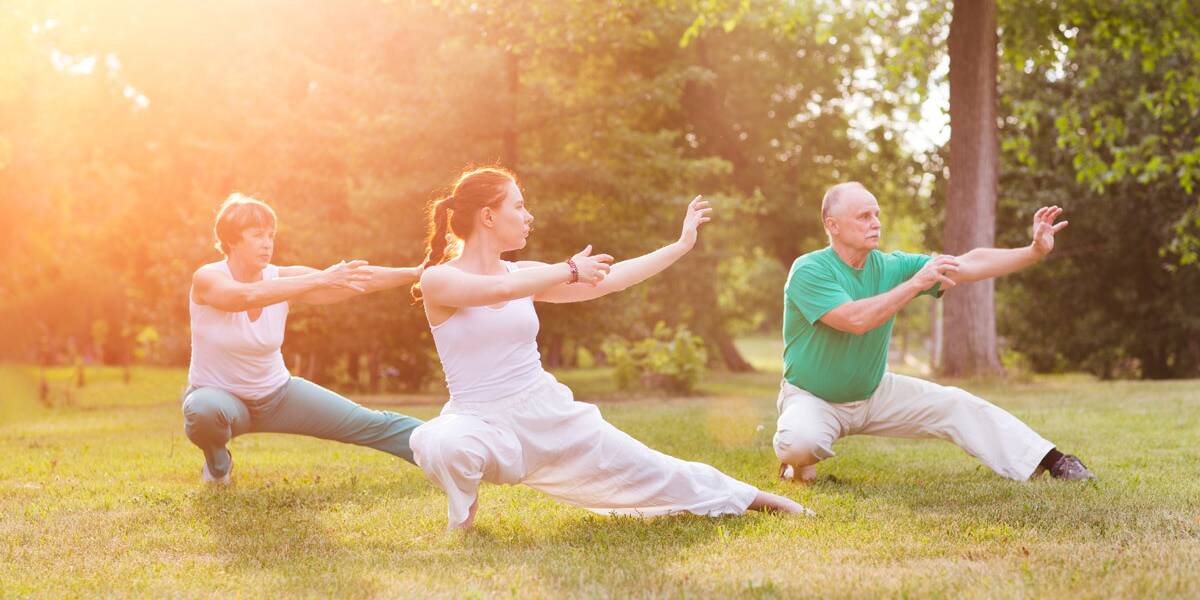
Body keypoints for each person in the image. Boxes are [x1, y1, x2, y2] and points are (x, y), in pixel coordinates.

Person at [409, 167, 810, 529]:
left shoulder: (525, 273)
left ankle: (759, 500)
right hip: (479, 419)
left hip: (546, 411)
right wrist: (568, 269)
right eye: (519, 205)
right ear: (488, 216)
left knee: (652, 468)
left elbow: (611, 279)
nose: (528, 215)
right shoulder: (439, 281)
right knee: (443, 442)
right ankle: (463, 516)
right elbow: (496, 289)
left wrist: (680, 245)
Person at [774, 182, 1096, 483]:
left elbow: (968, 263)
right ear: (833, 225)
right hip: (813, 397)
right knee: (801, 441)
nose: (875, 222)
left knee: (955, 402)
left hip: (874, 392)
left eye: (876, 214)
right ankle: (798, 463)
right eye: (863, 216)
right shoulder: (810, 270)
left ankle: (1052, 461)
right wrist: (916, 283)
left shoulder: (889, 266)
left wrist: (1032, 251)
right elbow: (856, 320)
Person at [183, 193, 424, 484]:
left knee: (369, 422)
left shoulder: (283, 278)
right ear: (232, 240)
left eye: (271, 235)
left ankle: (446, 449)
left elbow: (353, 281)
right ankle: (218, 467)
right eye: (257, 235)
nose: (267, 243)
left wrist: (416, 272)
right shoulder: (207, 277)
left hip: (278, 395)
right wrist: (322, 277)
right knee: (201, 409)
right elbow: (243, 297)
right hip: (221, 398)